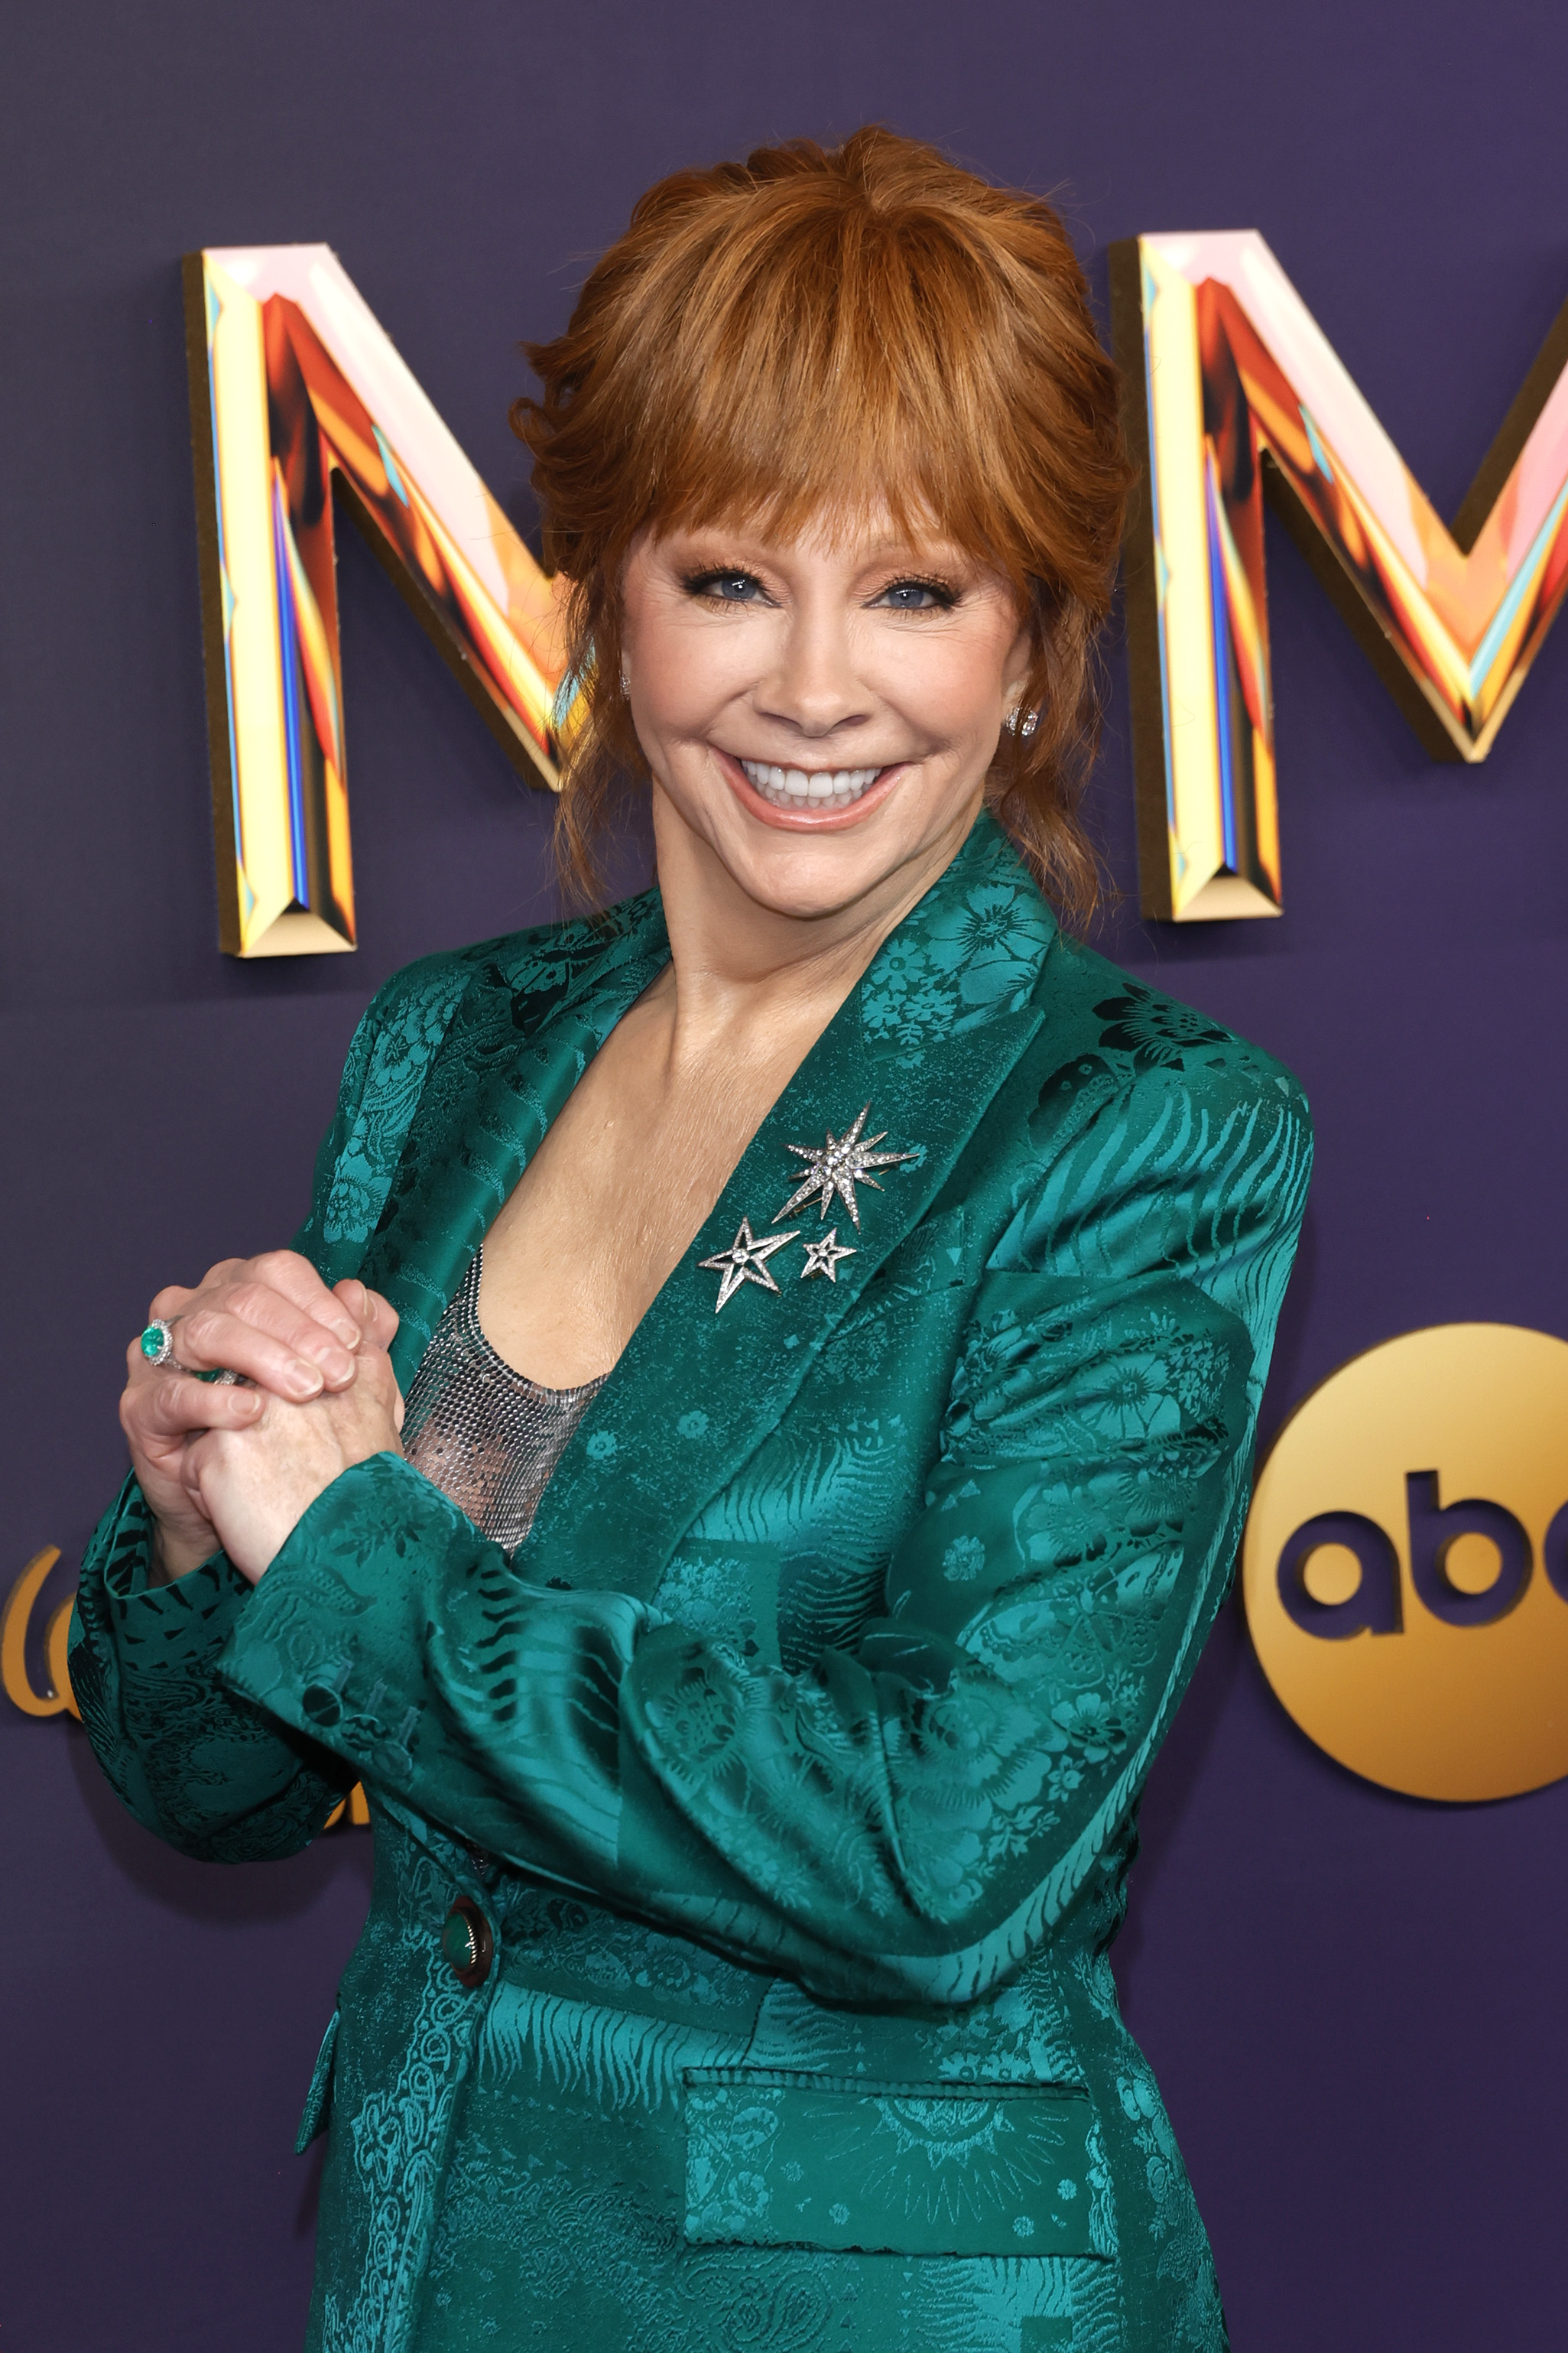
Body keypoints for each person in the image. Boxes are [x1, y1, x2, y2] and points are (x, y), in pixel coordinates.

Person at [72, 128, 1310, 2353]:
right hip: (435, 2272)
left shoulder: (1131, 1129)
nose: (814, 688)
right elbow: (219, 1789)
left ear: (1032, 649)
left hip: (872, 2307)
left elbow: (934, 1860)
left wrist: (348, 1537)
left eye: (918, 592)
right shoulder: (459, 1046)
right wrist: (191, 1528)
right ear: (607, 590)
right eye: (734, 577)